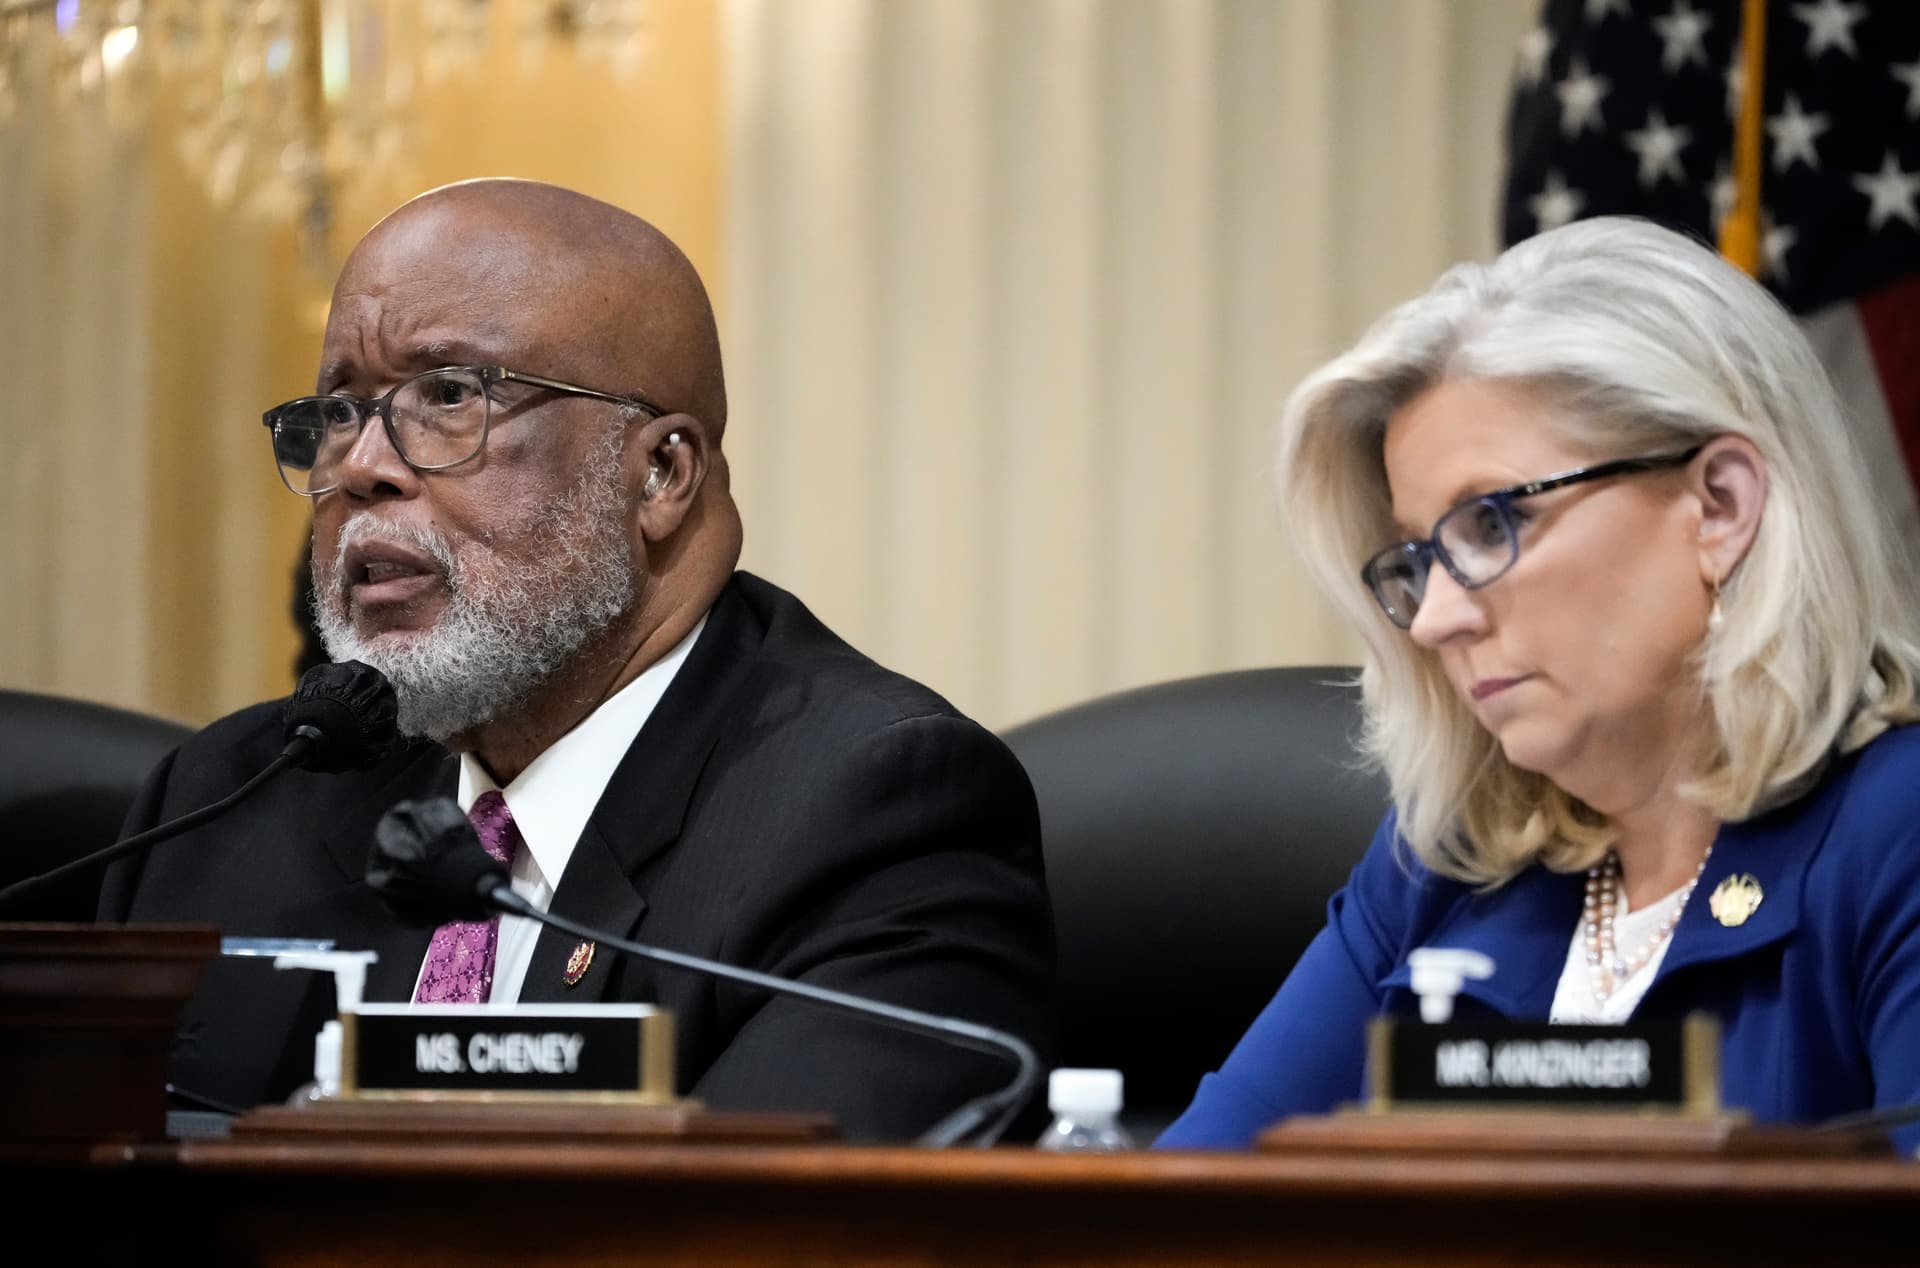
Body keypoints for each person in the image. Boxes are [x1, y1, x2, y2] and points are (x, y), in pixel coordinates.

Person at [101, 179, 1054, 1141]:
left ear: (661, 474)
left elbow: (780, 1236)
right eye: (340, 410)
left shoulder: (877, 816)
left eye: (448, 396)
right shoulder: (221, 807)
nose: (357, 467)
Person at [1158, 216, 1920, 1149]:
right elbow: (1178, 1217)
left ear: (1720, 506)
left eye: (1488, 524)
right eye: (1416, 558)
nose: (1435, 618)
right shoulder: (1447, 862)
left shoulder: (1896, 833)